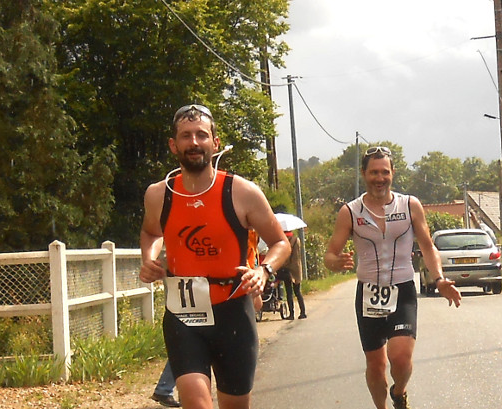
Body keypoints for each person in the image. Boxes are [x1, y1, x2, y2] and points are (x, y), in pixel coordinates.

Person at [139, 104, 291, 409]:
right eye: (186, 136)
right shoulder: (159, 194)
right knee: (196, 401)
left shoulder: (242, 192)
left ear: (215, 142)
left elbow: (280, 243)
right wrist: (150, 259)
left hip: (233, 311)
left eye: (201, 135)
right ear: (174, 145)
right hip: (184, 313)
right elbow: (151, 233)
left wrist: (263, 271)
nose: (194, 143)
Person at [324, 146, 462, 409]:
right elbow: (330, 254)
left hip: (403, 290)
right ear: (364, 174)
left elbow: (427, 245)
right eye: (374, 172)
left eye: (384, 172)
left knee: (400, 358)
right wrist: (336, 263)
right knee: (376, 366)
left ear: (392, 173)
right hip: (368, 294)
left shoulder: (409, 205)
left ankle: (399, 392)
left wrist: (439, 279)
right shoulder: (350, 212)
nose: (380, 178)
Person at [278, 230, 307, 319]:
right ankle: (302, 312)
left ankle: (292, 314)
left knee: (290, 292)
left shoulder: (285, 242)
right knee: (296, 291)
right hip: (296, 268)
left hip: (288, 268)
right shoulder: (296, 240)